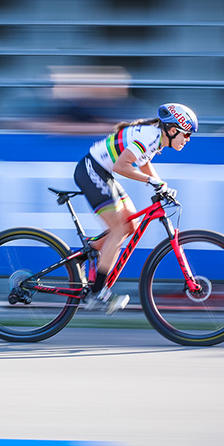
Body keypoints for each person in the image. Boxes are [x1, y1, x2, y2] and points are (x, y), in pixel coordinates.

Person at [72, 103, 198, 314]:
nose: (188, 140)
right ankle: (97, 291)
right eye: (186, 135)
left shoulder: (156, 138)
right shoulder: (151, 136)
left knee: (131, 225)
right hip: (91, 170)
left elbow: (143, 163)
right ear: (173, 129)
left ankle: (82, 256)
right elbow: (121, 166)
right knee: (119, 229)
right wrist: (151, 181)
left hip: (103, 172)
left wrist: (161, 185)